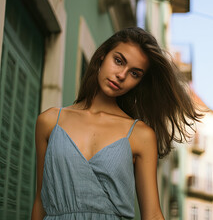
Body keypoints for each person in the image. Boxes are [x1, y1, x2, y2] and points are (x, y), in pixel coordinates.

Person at [31, 27, 202, 219]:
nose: (122, 75)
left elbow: (152, 213)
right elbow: (40, 201)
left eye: (135, 73)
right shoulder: (49, 121)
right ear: (102, 56)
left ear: (139, 82)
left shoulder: (140, 134)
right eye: (118, 61)